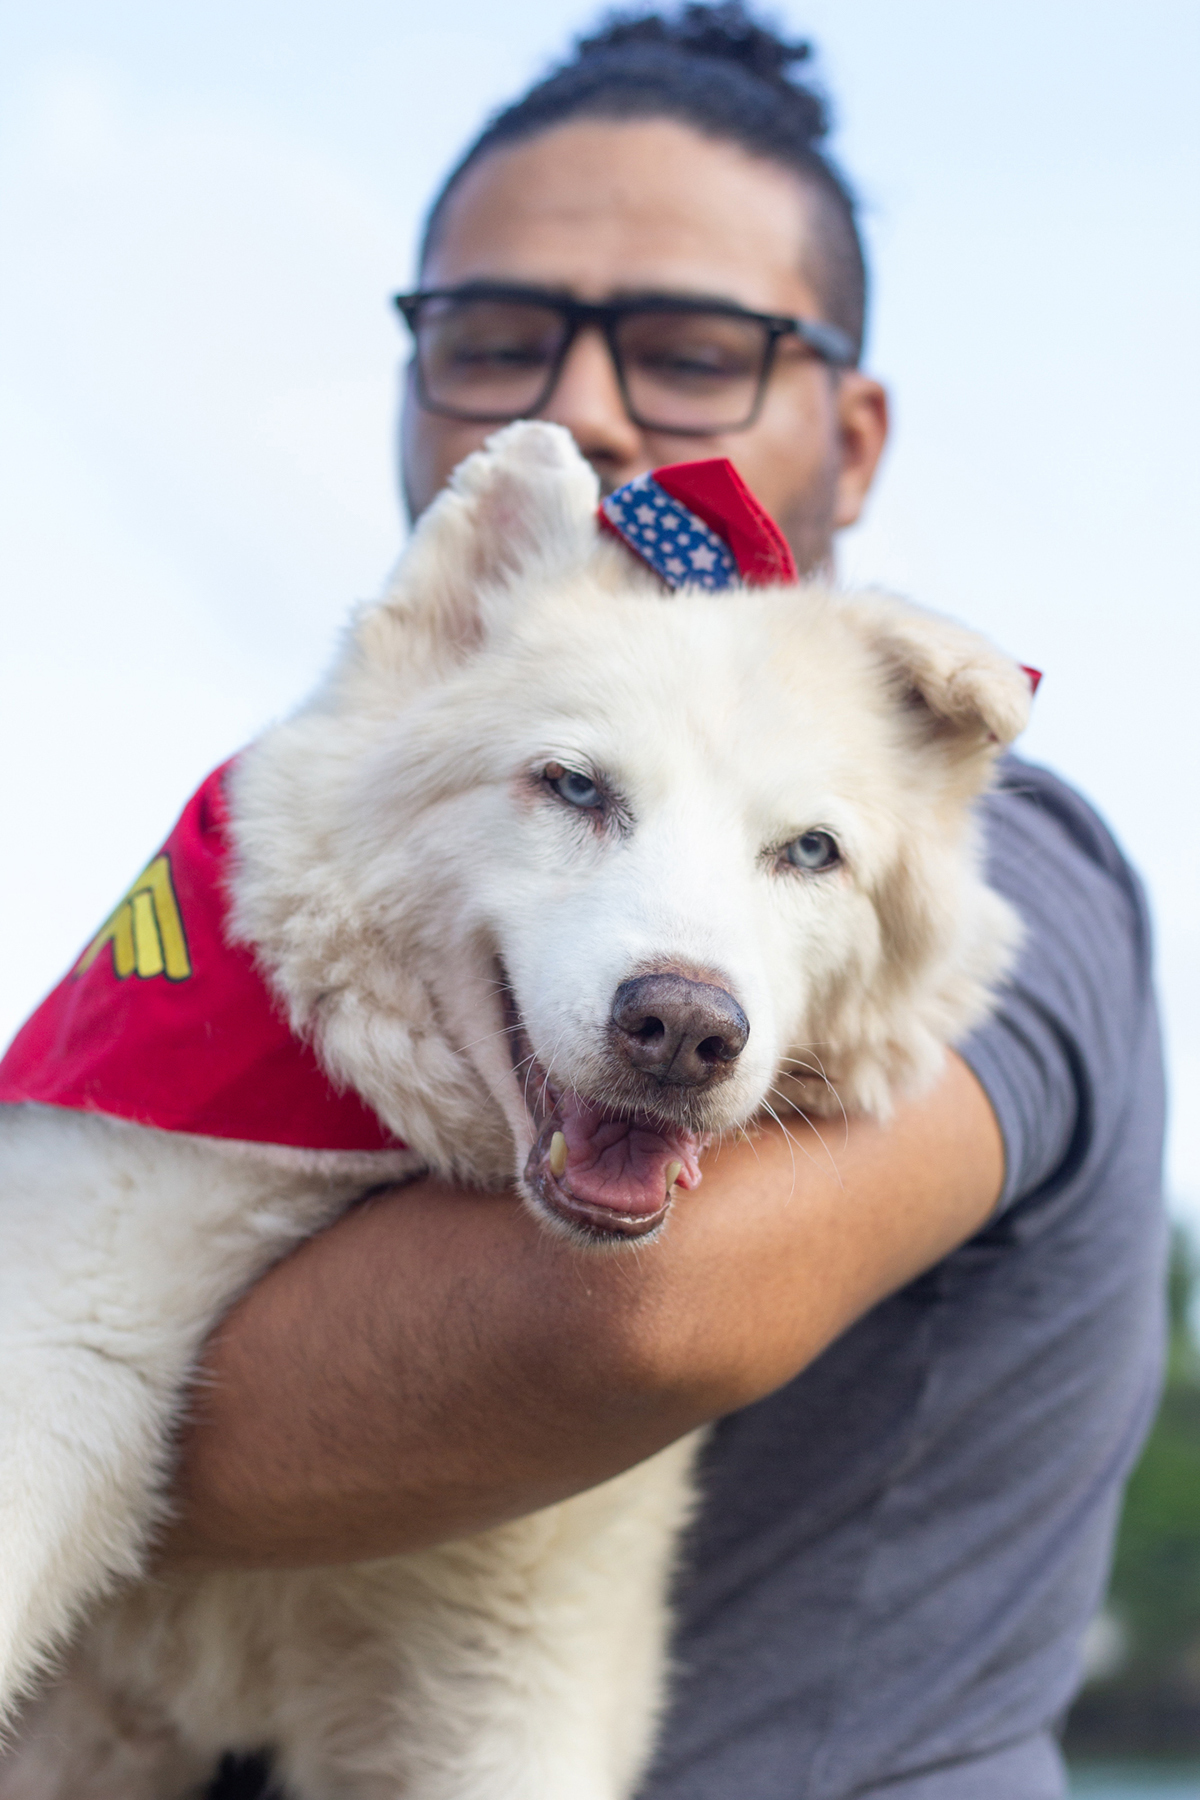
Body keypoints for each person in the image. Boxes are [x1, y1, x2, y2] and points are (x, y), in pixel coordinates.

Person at [164, 10, 1166, 1797]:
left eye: (697, 350)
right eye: (494, 338)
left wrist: (69, 1367)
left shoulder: (1006, 866)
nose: (587, 405)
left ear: (851, 439)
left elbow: (629, 1312)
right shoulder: (311, 858)